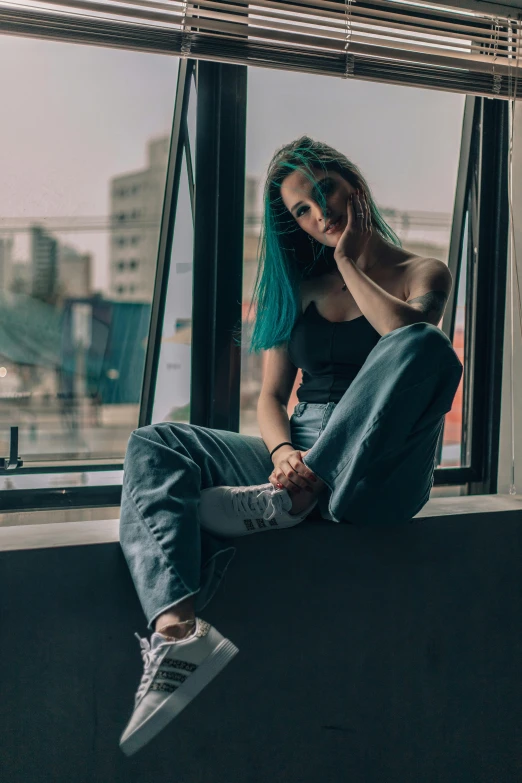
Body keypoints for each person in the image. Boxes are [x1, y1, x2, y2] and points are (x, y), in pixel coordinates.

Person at [118, 136, 463, 755]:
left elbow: (407, 343)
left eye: (323, 192)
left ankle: (300, 498)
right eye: (302, 210)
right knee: (155, 441)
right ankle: (177, 631)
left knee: (427, 347)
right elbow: (271, 399)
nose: (318, 214)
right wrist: (282, 456)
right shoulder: (300, 287)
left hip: (382, 466)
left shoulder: (422, 272)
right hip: (301, 444)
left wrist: (353, 262)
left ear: (351, 183)